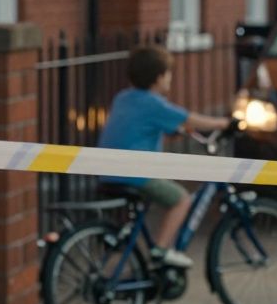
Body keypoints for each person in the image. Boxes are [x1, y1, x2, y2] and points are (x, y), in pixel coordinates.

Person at [97, 45, 231, 268]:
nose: (170, 79)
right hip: (134, 175)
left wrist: (173, 131)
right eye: (168, 74)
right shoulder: (154, 103)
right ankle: (160, 250)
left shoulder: (123, 97)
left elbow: (139, 126)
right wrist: (225, 123)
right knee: (181, 199)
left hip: (107, 173)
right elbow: (189, 119)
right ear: (159, 78)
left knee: (137, 223)